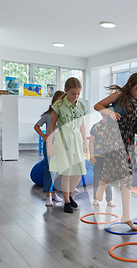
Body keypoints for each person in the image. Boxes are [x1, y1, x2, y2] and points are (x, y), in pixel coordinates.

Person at [94, 73, 137, 231]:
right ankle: (104, 190)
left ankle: (125, 215)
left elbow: (136, 124)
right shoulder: (119, 96)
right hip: (114, 137)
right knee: (125, 174)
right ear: (131, 85)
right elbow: (98, 106)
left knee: (129, 174)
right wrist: (110, 113)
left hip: (128, 140)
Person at [47, 77, 88, 213]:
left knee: (79, 171)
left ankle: (69, 195)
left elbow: (82, 125)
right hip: (63, 139)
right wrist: (50, 144)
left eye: (78, 94)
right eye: (73, 93)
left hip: (76, 139)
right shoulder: (58, 105)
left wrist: (85, 141)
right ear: (65, 90)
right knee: (67, 172)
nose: (75, 96)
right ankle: (66, 201)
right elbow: (52, 124)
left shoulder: (81, 105)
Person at [34, 90, 65, 206]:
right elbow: (36, 126)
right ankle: (48, 196)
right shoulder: (48, 115)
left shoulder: (63, 115)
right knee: (50, 169)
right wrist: (44, 136)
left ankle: (55, 193)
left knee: (58, 170)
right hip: (50, 145)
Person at [89, 113, 116, 207]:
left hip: (109, 158)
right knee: (97, 177)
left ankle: (109, 200)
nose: (106, 119)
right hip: (97, 157)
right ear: (102, 116)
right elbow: (91, 142)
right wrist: (91, 156)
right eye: (105, 117)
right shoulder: (96, 127)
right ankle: (95, 198)